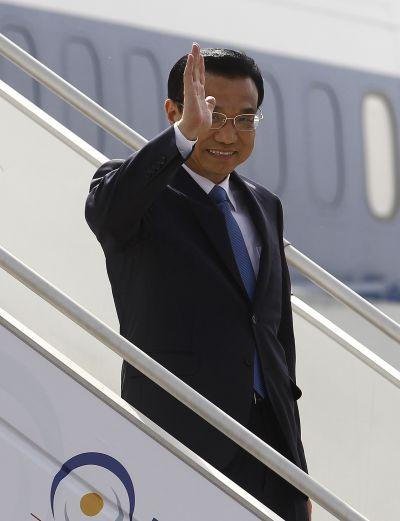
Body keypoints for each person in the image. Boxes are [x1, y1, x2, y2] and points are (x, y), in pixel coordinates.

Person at [85, 43, 311, 520]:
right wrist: (183, 136)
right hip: (178, 442)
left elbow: (277, 344)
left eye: (244, 118)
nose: (227, 133)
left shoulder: (265, 206)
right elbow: (109, 211)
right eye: (212, 114)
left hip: (269, 457)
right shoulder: (140, 195)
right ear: (175, 111)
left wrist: (298, 471)